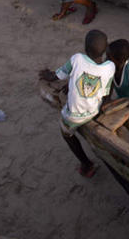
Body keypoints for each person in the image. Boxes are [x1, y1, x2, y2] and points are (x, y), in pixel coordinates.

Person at [39, 30, 115, 178]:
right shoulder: (110, 67)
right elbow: (105, 92)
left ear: (85, 49)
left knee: (66, 133)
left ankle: (86, 164)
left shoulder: (77, 59)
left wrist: (48, 75)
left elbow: (57, 76)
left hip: (73, 116)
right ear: (105, 50)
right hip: (94, 111)